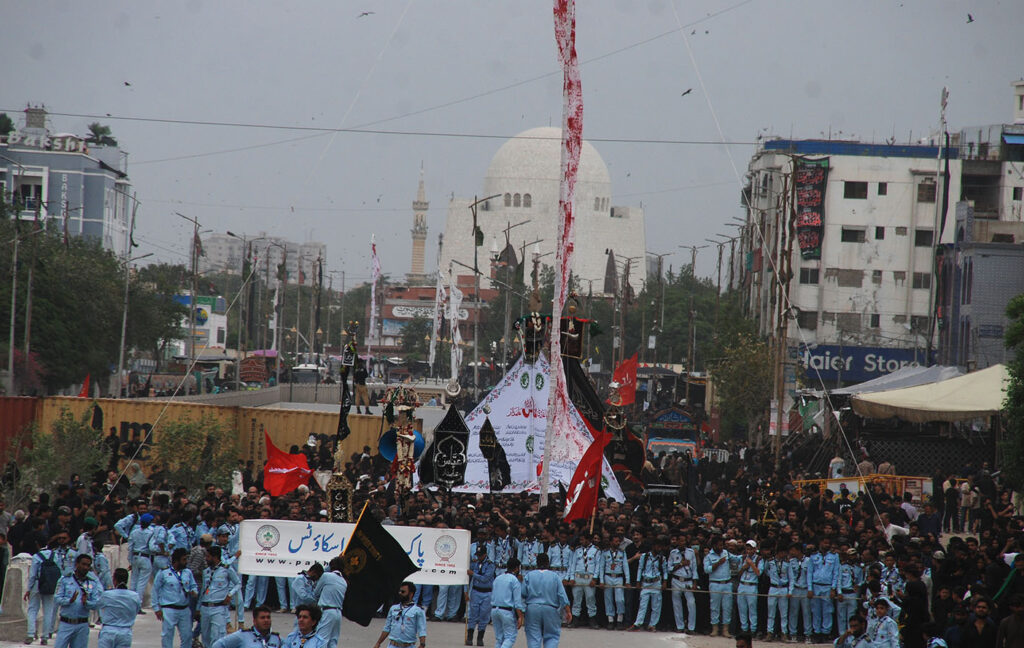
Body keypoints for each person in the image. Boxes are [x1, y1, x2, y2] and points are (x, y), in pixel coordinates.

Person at [53, 553, 103, 648]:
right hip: (66, 623)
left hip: (82, 624)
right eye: (83, 564)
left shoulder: (92, 583)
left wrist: (86, 603)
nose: (85, 567)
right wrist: (69, 601)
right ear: (76, 564)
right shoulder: (65, 580)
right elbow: (57, 598)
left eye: (88, 565)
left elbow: (96, 603)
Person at [522, 553, 571, 648]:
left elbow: (522, 594)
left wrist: (521, 611)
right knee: (551, 636)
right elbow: (562, 596)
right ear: (548, 563)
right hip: (550, 609)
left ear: (537, 563)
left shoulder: (529, 575)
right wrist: (568, 611)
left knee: (533, 636)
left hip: (533, 608)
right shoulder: (555, 576)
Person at [153, 547, 199, 648]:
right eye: (184, 559)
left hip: (184, 609)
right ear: (177, 560)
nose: (186, 562)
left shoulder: (188, 572)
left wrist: (194, 592)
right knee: (167, 635)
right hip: (169, 608)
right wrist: (156, 608)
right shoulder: (163, 572)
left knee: (187, 635)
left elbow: (193, 586)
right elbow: (155, 590)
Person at [24, 535, 65, 645]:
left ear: (37, 544)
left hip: (37, 584)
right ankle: (45, 636)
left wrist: (28, 589)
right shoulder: (55, 555)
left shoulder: (36, 557)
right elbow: (60, 572)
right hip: (50, 585)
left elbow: (32, 575)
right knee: (48, 610)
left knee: (33, 609)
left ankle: (30, 634)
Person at [200, 545, 242, 648]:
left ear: (215, 557)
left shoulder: (226, 570)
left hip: (218, 607)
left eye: (208, 557)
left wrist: (230, 594)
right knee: (205, 636)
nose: (206, 559)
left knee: (217, 636)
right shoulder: (206, 571)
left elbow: (238, 583)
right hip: (205, 607)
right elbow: (203, 590)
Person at [96, 568, 142, 648]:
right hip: (125, 632)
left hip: (108, 631)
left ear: (114, 580)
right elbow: (136, 610)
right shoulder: (135, 596)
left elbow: (97, 605)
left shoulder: (107, 595)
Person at [373, 582, 428, 648]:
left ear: (411, 594)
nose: (400, 593)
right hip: (392, 645)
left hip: (408, 646)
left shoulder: (418, 610)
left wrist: (422, 644)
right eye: (399, 591)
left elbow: (421, 629)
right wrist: (378, 643)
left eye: (403, 592)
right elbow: (387, 628)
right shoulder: (393, 608)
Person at [630, 536, 667, 631]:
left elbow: (665, 571)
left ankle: (652, 624)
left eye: (661, 547)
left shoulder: (662, 558)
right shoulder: (644, 556)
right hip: (646, 583)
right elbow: (640, 568)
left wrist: (665, 582)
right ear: (654, 546)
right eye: (658, 546)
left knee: (656, 606)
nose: (660, 549)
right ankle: (638, 623)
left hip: (656, 582)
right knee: (643, 604)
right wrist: (638, 581)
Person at [704, 535, 737, 638]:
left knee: (727, 607)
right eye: (719, 545)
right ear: (714, 545)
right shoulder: (708, 556)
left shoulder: (726, 553)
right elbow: (707, 570)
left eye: (722, 545)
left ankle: (725, 630)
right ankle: (715, 629)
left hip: (727, 583)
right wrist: (718, 563)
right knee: (715, 607)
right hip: (715, 584)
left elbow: (736, 559)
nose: (721, 547)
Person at [311, 557, 347, 648]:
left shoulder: (327, 576)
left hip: (327, 611)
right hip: (338, 613)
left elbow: (316, 593)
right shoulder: (343, 581)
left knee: (321, 639)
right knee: (333, 641)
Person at [809, 538, 839, 643]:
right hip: (815, 585)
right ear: (820, 543)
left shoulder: (834, 556)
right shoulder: (813, 555)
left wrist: (833, 588)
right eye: (824, 542)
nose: (826, 545)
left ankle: (826, 632)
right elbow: (809, 573)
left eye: (828, 543)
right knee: (815, 610)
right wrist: (810, 588)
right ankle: (817, 632)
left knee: (827, 610)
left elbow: (836, 573)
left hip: (827, 586)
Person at [568, 534, 600, 628]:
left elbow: (597, 565)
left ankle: (592, 619)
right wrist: (572, 578)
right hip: (578, 577)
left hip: (589, 577)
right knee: (577, 598)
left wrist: (595, 578)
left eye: (582, 539)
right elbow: (573, 564)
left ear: (588, 539)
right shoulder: (577, 550)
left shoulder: (596, 550)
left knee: (590, 598)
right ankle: (575, 619)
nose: (581, 541)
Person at [491, 558, 524, 648]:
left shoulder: (498, 578)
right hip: (507, 611)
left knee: (499, 638)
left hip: (494, 610)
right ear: (517, 568)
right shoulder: (514, 580)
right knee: (510, 637)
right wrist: (520, 616)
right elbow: (517, 602)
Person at [467, 543, 497, 645]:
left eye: (480, 555)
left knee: (484, 616)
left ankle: (480, 638)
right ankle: (469, 637)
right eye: (477, 555)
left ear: (485, 554)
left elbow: (485, 579)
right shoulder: (474, 564)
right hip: (476, 591)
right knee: (472, 615)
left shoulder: (490, 564)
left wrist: (473, 574)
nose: (478, 557)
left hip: (486, 593)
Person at [211, 605, 282, 647]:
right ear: (254, 621)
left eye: (268, 617)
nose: (266, 620)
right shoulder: (242, 635)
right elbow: (218, 645)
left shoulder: (276, 638)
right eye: (262, 618)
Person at [603, 532, 633, 630]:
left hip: (618, 577)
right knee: (608, 599)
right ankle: (610, 620)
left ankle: (619, 620)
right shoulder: (605, 552)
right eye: (615, 541)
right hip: (607, 576)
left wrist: (627, 581)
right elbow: (601, 567)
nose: (617, 543)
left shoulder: (622, 553)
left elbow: (626, 567)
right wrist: (601, 580)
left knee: (620, 599)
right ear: (611, 542)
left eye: (618, 542)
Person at [127, 512, 157, 604]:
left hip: (135, 557)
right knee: (142, 582)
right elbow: (152, 547)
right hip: (145, 557)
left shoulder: (134, 532)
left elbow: (130, 547)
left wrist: (130, 561)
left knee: (133, 581)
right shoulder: (152, 532)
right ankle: (138, 604)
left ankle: (131, 602)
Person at [736, 539, 763, 636]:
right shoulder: (742, 558)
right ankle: (744, 628)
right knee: (742, 608)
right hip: (742, 584)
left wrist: (751, 564)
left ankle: (753, 629)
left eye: (751, 549)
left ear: (755, 549)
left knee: (752, 609)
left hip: (752, 585)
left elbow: (759, 573)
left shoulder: (759, 559)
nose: (749, 551)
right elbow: (738, 573)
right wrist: (744, 567)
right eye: (747, 549)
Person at [766, 544, 791, 642]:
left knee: (783, 613)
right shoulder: (770, 562)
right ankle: (769, 632)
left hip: (783, 588)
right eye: (783, 552)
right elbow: (766, 571)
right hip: (773, 587)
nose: (784, 554)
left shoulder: (787, 563)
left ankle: (784, 633)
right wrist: (773, 578)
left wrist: (790, 590)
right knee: (771, 612)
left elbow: (791, 577)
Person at [789, 543, 812, 643]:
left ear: (798, 550)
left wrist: (810, 589)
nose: (791, 552)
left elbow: (810, 576)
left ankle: (808, 634)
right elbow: (791, 577)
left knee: (806, 612)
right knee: (793, 612)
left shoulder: (808, 561)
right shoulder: (791, 561)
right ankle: (793, 633)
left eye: (793, 550)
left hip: (805, 589)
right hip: (795, 589)